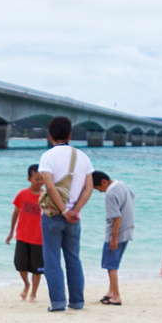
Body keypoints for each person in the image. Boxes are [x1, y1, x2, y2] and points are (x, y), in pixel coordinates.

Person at [37, 116, 93, 311]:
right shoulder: (83, 157)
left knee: (52, 259)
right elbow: (89, 188)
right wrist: (75, 210)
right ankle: (77, 302)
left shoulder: (48, 156)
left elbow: (49, 185)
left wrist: (63, 210)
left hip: (53, 215)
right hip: (74, 218)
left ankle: (58, 303)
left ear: (50, 136)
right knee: (73, 259)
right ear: (70, 134)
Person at [92, 170, 134, 303]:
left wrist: (114, 238)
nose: (99, 191)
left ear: (103, 182)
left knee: (111, 266)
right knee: (113, 263)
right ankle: (111, 292)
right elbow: (131, 197)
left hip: (118, 233)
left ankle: (116, 296)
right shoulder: (121, 184)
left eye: (98, 188)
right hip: (128, 229)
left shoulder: (110, 194)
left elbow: (116, 217)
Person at [5, 164, 45, 301]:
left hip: (39, 239)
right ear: (29, 179)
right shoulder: (22, 194)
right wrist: (11, 233)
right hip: (22, 236)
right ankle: (26, 284)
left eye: (41, 179)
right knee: (20, 264)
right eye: (36, 179)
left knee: (37, 268)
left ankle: (33, 293)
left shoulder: (46, 196)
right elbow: (15, 213)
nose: (39, 182)